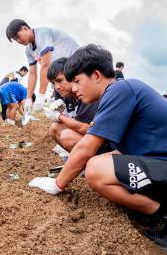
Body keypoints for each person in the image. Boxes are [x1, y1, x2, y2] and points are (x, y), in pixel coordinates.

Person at [29, 44, 167, 248]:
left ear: (96, 75)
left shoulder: (119, 90)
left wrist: (57, 184)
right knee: (98, 163)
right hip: (157, 162)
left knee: (94, 169)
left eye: (77, 81)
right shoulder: (119, 90)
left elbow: (87, 147)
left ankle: (158, 213)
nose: (73, 88)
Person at [6, 19, 79, 113]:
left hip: (76, 68)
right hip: (59, 75)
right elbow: (32, 74)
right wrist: (28, 99)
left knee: (78, 103)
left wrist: (41, 96)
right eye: (16, 40)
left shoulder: (42, 33)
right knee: (60, 109)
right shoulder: (28, 50)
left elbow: (46, 65)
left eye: (18, 36)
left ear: (25, 28)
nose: (19, 41)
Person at [46, 57, 110, 153]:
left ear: (70, 76)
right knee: (54, 128)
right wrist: (63, 113)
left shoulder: (86, 95)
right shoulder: (68, 97)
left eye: (59, 81)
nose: (57, 87)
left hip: (104, 141)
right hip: (90, 136)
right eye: (53, 83)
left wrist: (59, 116)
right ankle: (75, 156)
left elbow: (85, 129)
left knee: (67, 136)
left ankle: (88, 162)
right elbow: (75, 121)